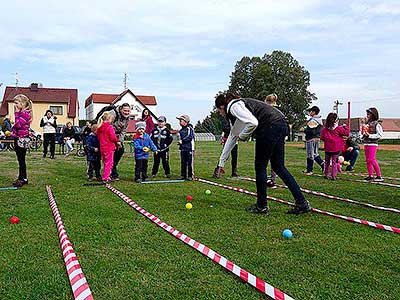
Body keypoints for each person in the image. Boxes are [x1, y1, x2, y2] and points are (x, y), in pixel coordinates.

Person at [214, 92, 311, 215]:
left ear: (222, 106)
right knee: (278, 166)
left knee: (260, 166)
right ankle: (302, 203)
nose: (220, 114)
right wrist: (221, 162)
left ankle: (261, 206)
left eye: (219, 111)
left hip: (269, 126)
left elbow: (253, 123)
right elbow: (232, 136)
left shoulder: (234, 106)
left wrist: (243, 136)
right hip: (280, 123)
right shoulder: (239, 106)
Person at [11, 94, 33, 187]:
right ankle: (22, 177)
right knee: (20, 160)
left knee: (21, 160)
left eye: (16, 103)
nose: (15, 105)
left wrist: (16, 114)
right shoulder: (22, 113)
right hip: (18, 137)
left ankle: (22, 179)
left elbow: (18, 124)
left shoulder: (25, 113)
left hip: (21, 139)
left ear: (23, 103)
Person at [320, 112, 349, 180]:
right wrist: (345, 127)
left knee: (327, 162)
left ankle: (326, 174)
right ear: (336, 120)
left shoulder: (325, 129)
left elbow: (322, 137)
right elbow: (347, 133)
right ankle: (334, 175)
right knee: (334, 162)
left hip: (327, 148)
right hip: (336, 149)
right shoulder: (338, 128)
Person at [362, 107, 384, 181]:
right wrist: (363, 135)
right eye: (367, 114)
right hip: (366, 143)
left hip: (373, 144)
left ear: (373, 114)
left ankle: (379, 176)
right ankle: (370, 175)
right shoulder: (367, 124)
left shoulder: (377, 124)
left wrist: (370, 136)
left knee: (371, 159)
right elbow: (364, 133)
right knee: (368, 160)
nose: (367, 115)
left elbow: (380, 135)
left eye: (369, 114)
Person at [96, 111, 119, 183]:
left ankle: (105, 175)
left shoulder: (99, 128)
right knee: (109, 163)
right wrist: (117, 141)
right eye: (112, 119)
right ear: (109, 118)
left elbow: (98, 137)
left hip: (102, 147)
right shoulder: (109, 127)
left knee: (105, 162)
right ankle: (106, 177)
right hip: (109, 147)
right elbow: (113, 137)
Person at [111, 103, 131, 181]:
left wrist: (119, 141)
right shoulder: (113, 114)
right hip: (109, 135)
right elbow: (108, 126)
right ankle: (113, 173)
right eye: (125, 110)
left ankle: (113, 167)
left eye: (128, 111)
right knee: (110, 154)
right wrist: (115, 140)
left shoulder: (127, 118)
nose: (126, 112)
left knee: (121, 150)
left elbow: (124, 130)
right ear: (120, 109)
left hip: (117, 136)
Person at [303, 106, 325, 175]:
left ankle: (309, 170)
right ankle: (324, 165)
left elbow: (311, 131)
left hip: (311, 139)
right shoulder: (319, 119)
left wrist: (305, 130)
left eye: (310, 111)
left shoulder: (313, 120)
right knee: (315, 154)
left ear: (314, 112)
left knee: (310, 154)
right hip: (317, 138)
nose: (309, 112)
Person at [265, 93, 279, 186]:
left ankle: (265, 179)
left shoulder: (267, 110)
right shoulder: (279, 111)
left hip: (268, 137)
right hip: (278, 138)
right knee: (275, 161)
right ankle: (273, 180)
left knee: (264, 160)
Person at [177, 114, 195, 181]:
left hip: (189, 148)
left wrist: (183, 141)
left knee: (189, 162)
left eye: (181, 120)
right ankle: (183, 175)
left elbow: (190, 137)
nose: (179, 122)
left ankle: (190, 175)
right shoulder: (181, 130)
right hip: (183, 149)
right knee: (183, 162)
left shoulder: (189, 128)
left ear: (185, 121)